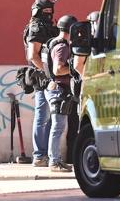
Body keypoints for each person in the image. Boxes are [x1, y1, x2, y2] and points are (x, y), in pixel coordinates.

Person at [23, 0, 60, 167]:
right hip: (42, 77)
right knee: (43, 117)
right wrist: (49, 75)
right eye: (45, 9)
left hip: (49, 76)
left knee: (49, 117)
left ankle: (44, 155)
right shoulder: (36, 27)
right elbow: (33, 55)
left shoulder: (46, 25)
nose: (49, 12)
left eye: (50, 9)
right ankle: (39, 155)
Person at [41, 15, 78, 172]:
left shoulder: (55, 43)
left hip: (56, 89)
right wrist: (74, 70)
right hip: (58, 90)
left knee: (58, 126)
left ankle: (55, 160)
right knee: (58, 126)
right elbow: (57, 69)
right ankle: (54, 162)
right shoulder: (62, 47)